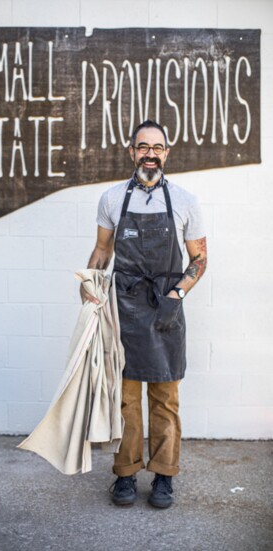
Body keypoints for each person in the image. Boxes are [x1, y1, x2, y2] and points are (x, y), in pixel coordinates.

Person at [80, 119, 207, 508]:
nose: (150, 154)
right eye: (143, 146)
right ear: (131, 151)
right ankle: (126, 474)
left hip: (167, 308)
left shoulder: (185, 201)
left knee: (165, 397)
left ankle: (165, 475)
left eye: (157, 147)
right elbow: (103, 250)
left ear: (166, 153)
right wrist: (90, 284)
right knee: (128, 399)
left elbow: (199, 259)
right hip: (126, 307)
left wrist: (177, 294)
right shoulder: (112, 199)